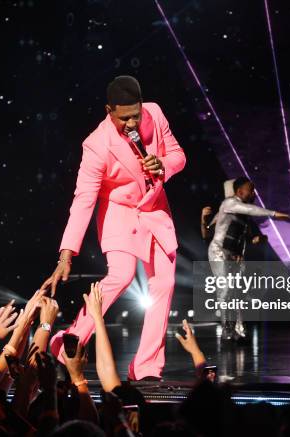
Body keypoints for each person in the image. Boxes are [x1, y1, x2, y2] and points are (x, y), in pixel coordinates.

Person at [40, 75, 186, 381]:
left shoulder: (155, 114)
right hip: (119, 213)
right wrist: (66, 255)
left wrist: (163, 164)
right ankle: (69, 340)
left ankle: (146, 367)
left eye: (136, 115)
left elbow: (177, 155)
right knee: (121, 274)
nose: (132, 123)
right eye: (124, 118)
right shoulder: (97, 145)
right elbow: (83, 200)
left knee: (164, 283)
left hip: (154, 209)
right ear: (109, 110)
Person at [205, 177, 290, 343]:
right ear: (239, 192)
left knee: (236, 292)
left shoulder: (242, 215)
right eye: (250, 190)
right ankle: (227, 330)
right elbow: (252, 210)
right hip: (218, 251)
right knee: (225, 290)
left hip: (234, 255)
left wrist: (257, 239)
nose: (254, 193)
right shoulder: (229, 203)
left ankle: (238, 328)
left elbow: (244, 235)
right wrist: (274, 214)